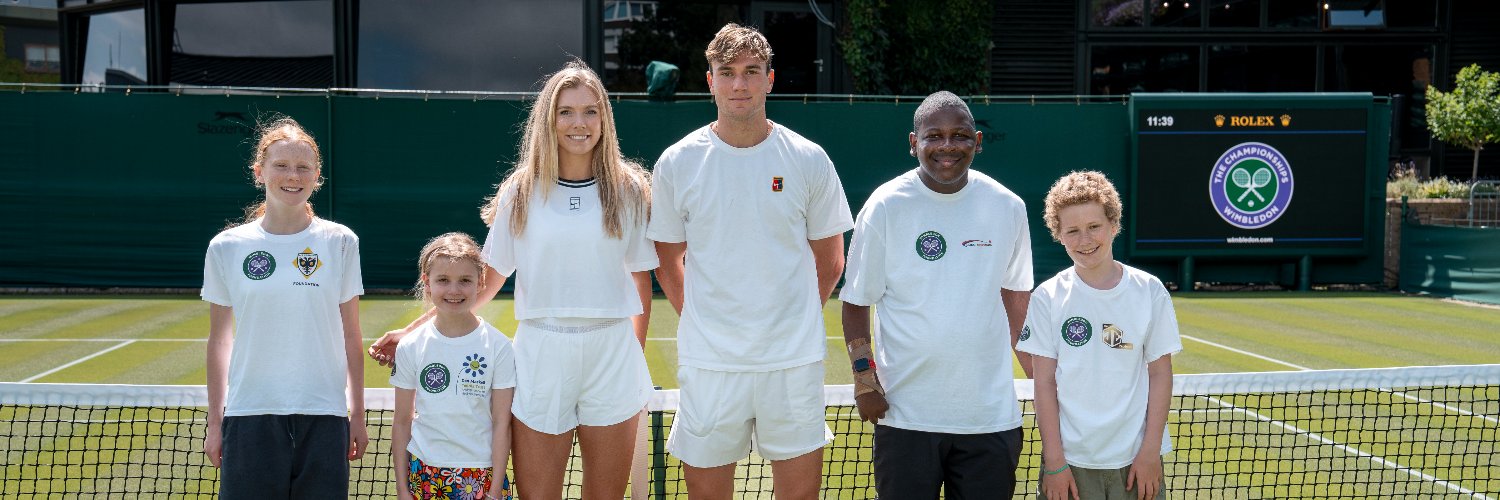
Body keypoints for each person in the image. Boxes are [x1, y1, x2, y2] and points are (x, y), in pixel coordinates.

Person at [370, 60, 657, 500]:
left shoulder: (629, 189)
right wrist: (411, 331)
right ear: (548, 118)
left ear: (604, 118)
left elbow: (641, 282)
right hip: (541, 353)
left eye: (590, 110)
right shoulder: (521, 191)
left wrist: (630, 359)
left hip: (612, 355)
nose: (578, 123)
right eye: (565, 111)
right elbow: (486, 281)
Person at [648, 23, 854, 500]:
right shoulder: (678, 163)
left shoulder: (809, 159)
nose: (739, 84)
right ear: (710, 81)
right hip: (710, 364)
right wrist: (704, 320)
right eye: (727, 72)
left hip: (792, 362)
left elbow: (831, 261)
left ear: (770, 79)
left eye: (750, 71)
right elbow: (666, 259)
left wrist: (792, 318)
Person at [839, 91, 1034, 499]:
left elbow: (1017, 300)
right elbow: (856, 301)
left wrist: (1041, 381)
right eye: (934, 136)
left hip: (990, 419)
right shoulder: (885, 206)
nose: (947, 146)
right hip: (906, 420)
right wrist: (864, 379)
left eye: (960, 135)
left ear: (977, 142)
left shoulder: (1008, 207)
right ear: (914, 143)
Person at [201, 116, 367, 499]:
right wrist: (215, 422)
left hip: (325, 415)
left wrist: (356, 414)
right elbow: (219, 342)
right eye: (281, 165)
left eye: (303, 167)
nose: (293, 175)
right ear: (259, 172)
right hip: (248, 416)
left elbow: (351, 335)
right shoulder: (226, 247)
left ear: (316, 176)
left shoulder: (340, 241)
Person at [1017, 171, 1181, 500]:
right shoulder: (1047, 297)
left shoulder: (1149, 291)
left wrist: (1150, 453)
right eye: (1072, 231)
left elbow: (1161, 373)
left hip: (1137, 461)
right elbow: (1044, 383)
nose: (1085, 240)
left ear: (1113, 225)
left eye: (1094, 227)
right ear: (1058, 235)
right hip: (1070, 465)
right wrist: (1054, 463)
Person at [391, 232, 516, 500]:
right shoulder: (411, 346)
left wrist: (494, 492)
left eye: (465, 281)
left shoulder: (500, 347)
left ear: (481, 282)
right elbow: (402, 422)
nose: (454, 290)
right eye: (443, 280)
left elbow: (502, 424)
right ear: (427, 282)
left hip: (481, 476)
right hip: (423, 472)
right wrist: (402, 489)